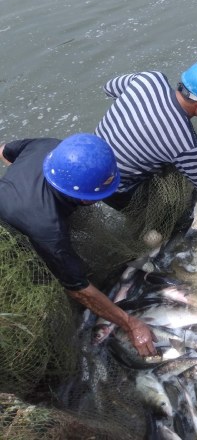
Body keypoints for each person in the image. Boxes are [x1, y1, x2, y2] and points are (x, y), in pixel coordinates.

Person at [0, 134, 157, 357]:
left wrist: (20, 188)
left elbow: (4, 151)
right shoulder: (49, 229)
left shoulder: (50, 146)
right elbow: (79, 291)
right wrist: (131, 324)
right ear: (83, 198)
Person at [96, 60, 197, 212]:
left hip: (89, 156)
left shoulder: (149, 79)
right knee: (167, 216)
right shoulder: (186, 145)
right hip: (114, 189)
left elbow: (108, 88)